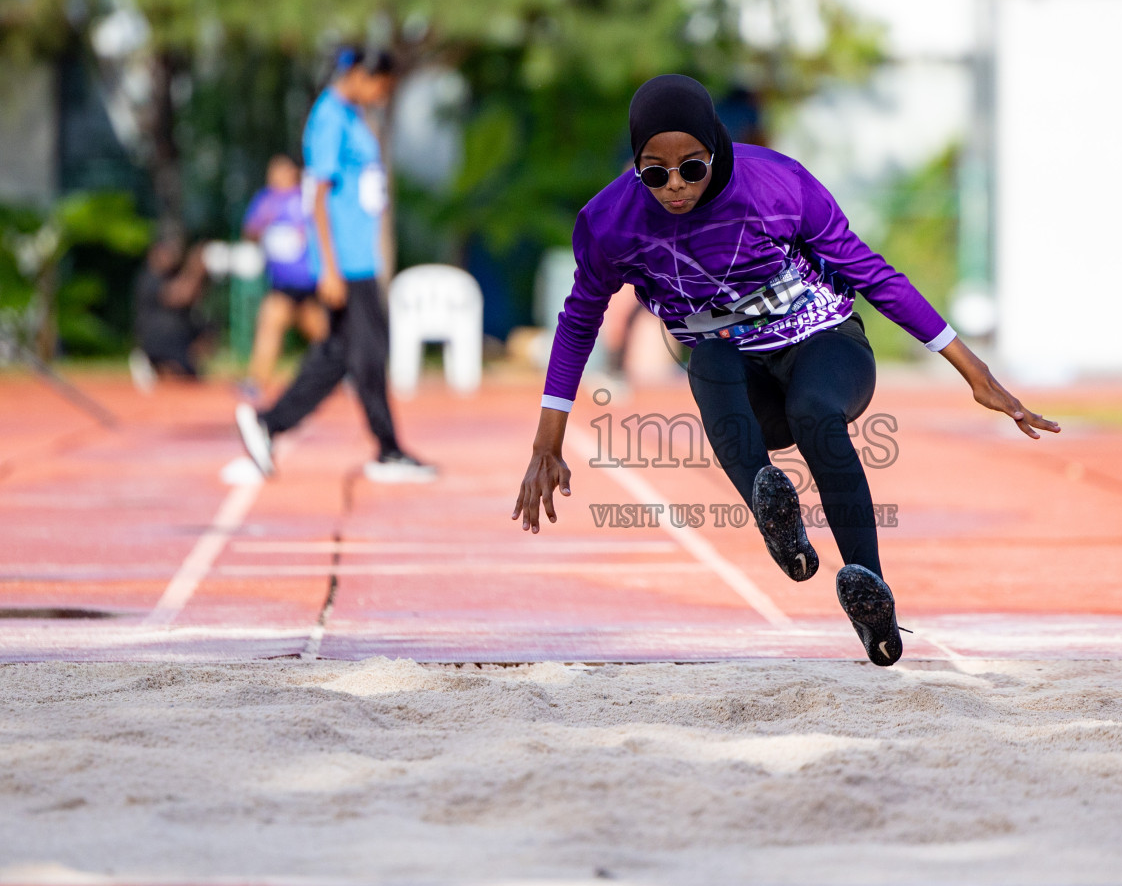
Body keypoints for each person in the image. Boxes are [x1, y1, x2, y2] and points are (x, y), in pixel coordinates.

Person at [512, 75, 1058, 666]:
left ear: (715, 150)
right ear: (636, 165)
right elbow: (578, 322)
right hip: (739, 380)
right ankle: (776, 517)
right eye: (655, 172)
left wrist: (971, 368)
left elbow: (874, 274)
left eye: (691, 169)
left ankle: (870, 595)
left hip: (824, 343)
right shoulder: (609, 224)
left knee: (815, 413)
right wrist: (548, 440)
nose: (674, 187)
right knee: (711, 354)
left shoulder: (777, 183)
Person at [235, 47, 436, 484]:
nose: (383, 95)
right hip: (345, 263)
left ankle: (269, 424)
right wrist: (327, 267)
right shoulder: (328, 118)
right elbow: (317, 197)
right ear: (362, 77)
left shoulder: (352, 115)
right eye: (381, 86)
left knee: (340, 355)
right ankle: (387, 450)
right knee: (369, 353)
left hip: (360, 259)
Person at [239, 155, 329, 400]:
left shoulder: (306, 199)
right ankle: (256, 381)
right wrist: (261, 226)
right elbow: (249, 232)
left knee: (322, 333)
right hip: (281, 284)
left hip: (308, 282)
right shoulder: (265, 200)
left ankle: (346, 373)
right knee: (269, 325)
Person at [131, 237, 210, 387]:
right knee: (185, 380)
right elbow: (180, 296)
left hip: (178, 342)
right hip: (158, 340)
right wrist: (194, 269)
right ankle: (153, 363)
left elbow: (192, 298)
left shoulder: (171, 276)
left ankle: (161, 368)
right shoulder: (149, 279)